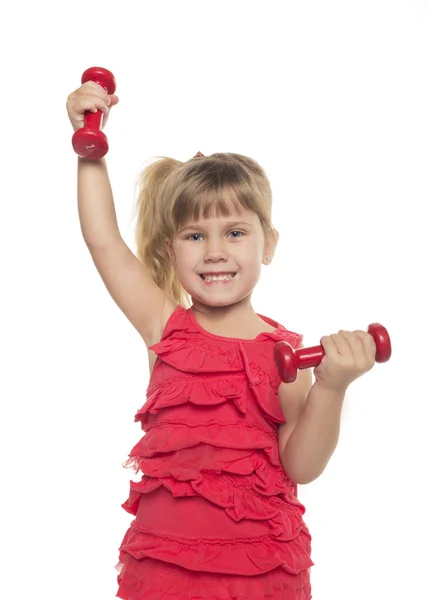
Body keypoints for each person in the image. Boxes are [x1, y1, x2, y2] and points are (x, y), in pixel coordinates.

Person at [66, 80, 377, 600]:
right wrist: (88, 150)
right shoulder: (165, 327)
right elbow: (102, 239)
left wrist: (333, 386)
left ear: (268, 244)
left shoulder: (289, 355)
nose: (214, 252)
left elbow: (302, 466)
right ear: (171, 250)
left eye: (234, 233)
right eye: (195, 236)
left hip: (261, 576)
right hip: (164, 572)